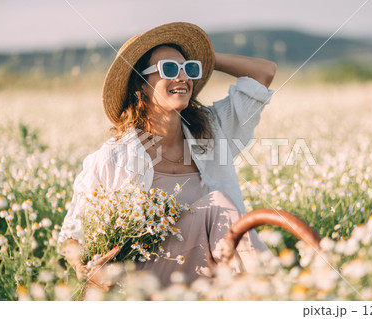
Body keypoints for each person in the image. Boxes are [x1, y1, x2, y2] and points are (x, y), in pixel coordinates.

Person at [59, 22, 277, 291]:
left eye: (189, 69)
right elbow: (72, 235)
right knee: (218, 205)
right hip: (145, 280)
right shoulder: (113, 158)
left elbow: (264, 73)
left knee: (219, 211)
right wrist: (84, 269)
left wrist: (205, 59)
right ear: (142, 83)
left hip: (208, 275)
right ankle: (277, 293)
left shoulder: (213, 129)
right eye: (170, 69)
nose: (182, 77)